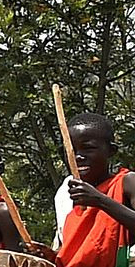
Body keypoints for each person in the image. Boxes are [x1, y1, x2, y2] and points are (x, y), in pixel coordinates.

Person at [43, 113, 135, 267]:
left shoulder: (127, 182)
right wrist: (51, 255)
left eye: (88, 148)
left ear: (111, 150)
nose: (78, 156)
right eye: (71, 150)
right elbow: (76, 249)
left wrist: (100, 201)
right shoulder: (65, 193)